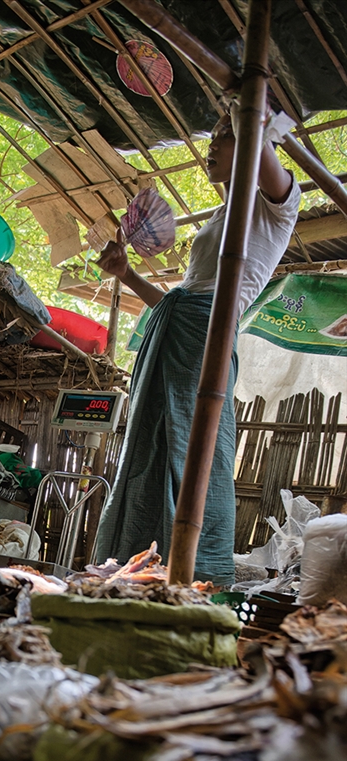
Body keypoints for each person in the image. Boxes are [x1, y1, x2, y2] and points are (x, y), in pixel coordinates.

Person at [95, 112, 301, 584]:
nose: (212, 144)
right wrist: (126, 275)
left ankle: (196, 571)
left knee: (195, 453)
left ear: (252, 142)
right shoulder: (222, 215)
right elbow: (180, 297)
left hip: (206, 340)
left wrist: (248, 117)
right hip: (176, 329)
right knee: (151, 448)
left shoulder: (276, 208)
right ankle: (138, 566)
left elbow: (261, 151)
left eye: (226, 136)